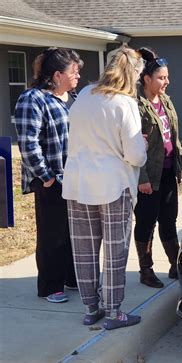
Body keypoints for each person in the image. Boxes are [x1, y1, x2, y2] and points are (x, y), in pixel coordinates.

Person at [62, 46, 147, 329]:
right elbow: (135, 155)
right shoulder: (124, 103)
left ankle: (91, 308)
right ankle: (114, 312)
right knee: (114, 251)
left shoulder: (83, 95)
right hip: (113, 185)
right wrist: (142, 146)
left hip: (77, 183)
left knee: (84, 249)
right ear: (133, 73)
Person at [15, 48, 83, 303]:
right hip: (50, 179)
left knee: (73, 232)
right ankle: (50, 286)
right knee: (52, 236)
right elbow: (28, 144)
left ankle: (71, 278)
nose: (78, 76)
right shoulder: (32, 99)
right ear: (57, 74)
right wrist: (47, 177)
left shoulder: (73, 98)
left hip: (76, 178)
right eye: (73, 71)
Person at [133, 47, 182, 287]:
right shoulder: (136, 105)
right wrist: (142, 178)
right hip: (148, 175)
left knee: (169, 219)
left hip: (168, 172)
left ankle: (174, 265)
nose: (167, 81)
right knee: (146, 222)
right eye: (161, 77)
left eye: (167, 77)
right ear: (147, 79)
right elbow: (134, 143)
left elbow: (172, 137)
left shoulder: (165, 100)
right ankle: (145, 270)